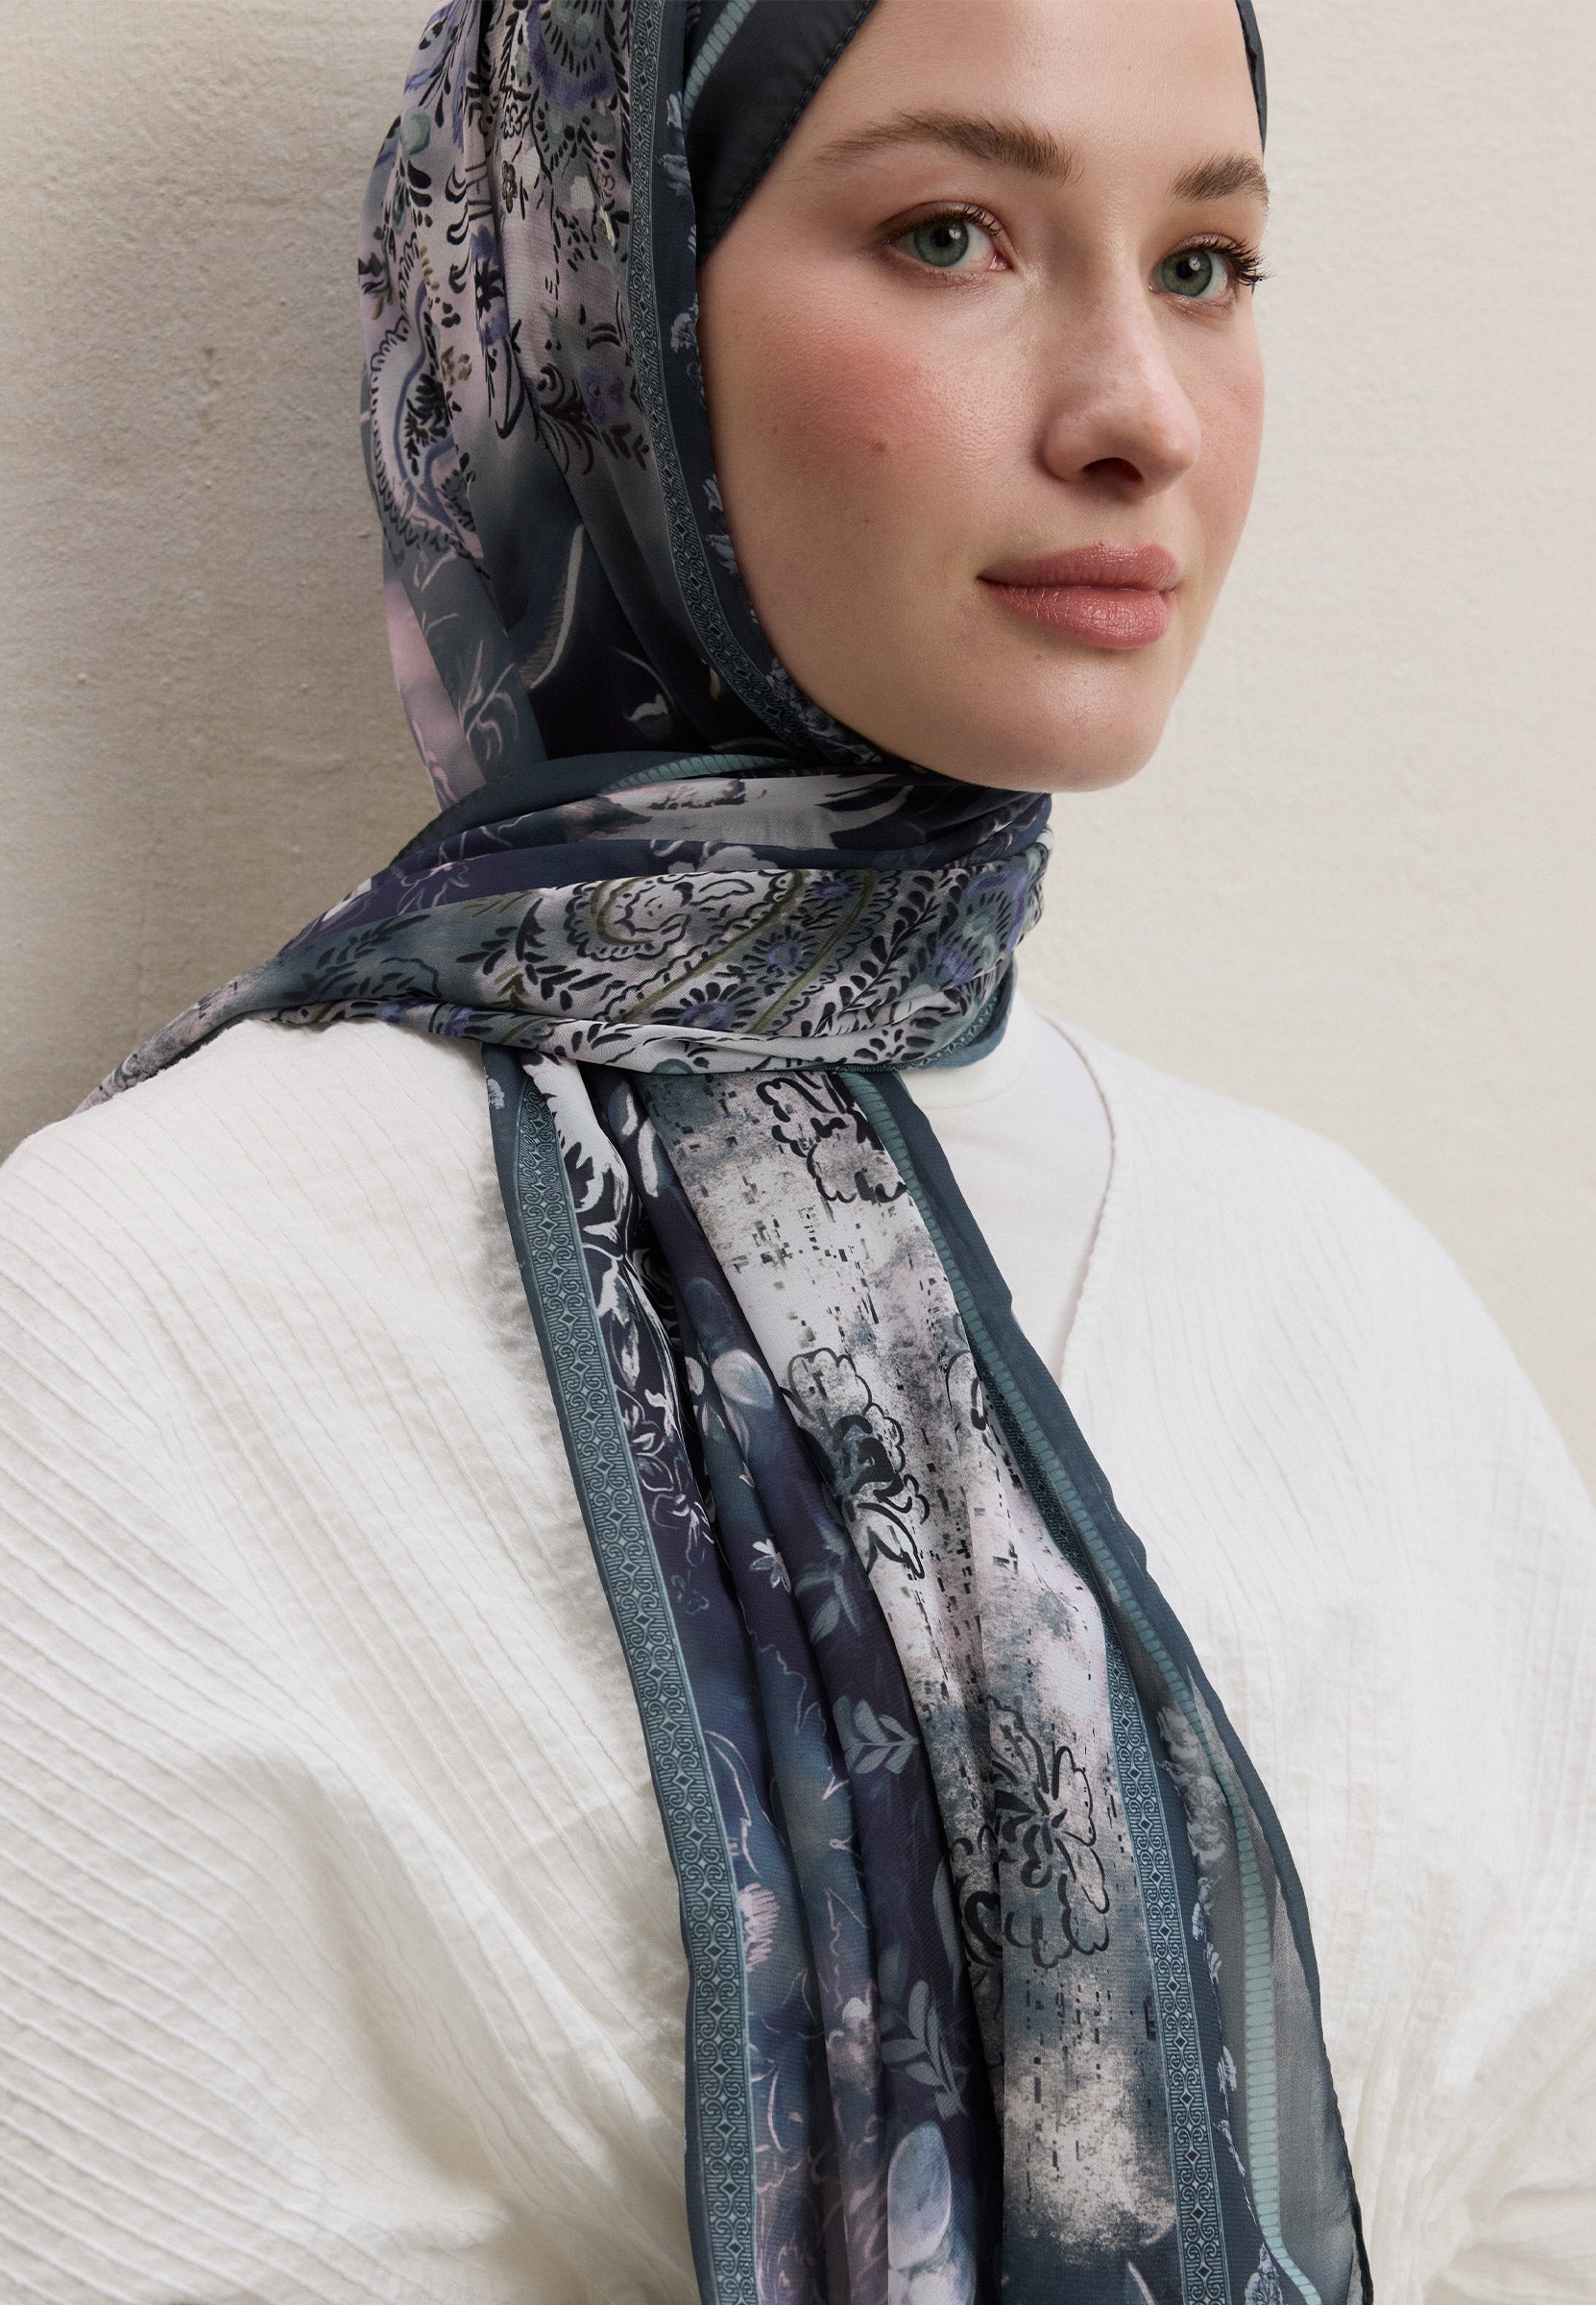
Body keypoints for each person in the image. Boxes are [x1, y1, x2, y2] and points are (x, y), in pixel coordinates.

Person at [0, 0, 1589, 2298]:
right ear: (594, 307)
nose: (1140, 414)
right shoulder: (150, 1309)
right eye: (950, 234)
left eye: (1205, 265)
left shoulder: (1338, 1294)